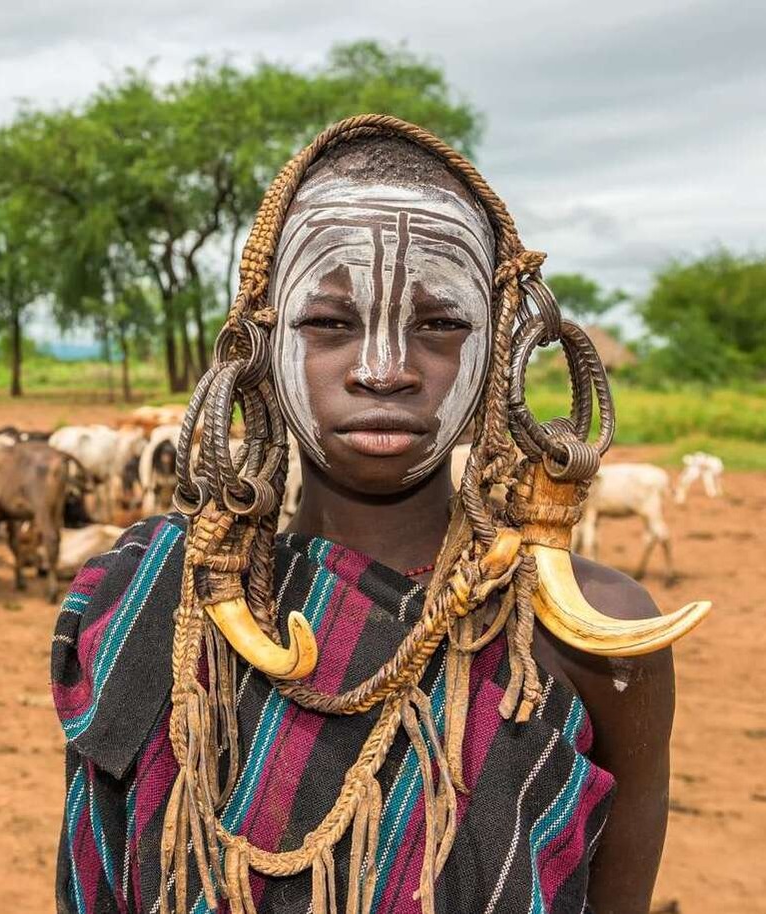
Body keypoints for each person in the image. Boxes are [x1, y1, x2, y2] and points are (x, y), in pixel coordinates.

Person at [52, 116, 705, 914]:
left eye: (439, 323)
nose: (384, 370)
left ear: (502, 346)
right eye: (328, 323)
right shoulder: (151, 606)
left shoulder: (592, 634)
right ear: (255, 344)